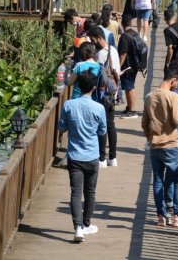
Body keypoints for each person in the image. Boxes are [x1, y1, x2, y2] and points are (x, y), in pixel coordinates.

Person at [58, 69, 107, 243]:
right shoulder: (99, 108)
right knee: (90, 192)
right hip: (92, 156)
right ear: (93, 88)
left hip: (74, 156)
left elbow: (61, 127)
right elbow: (102, 131)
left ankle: (77, 227)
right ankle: (86, 224)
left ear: (78, 86)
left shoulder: (69, 105)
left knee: (76, 192)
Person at [142, 68, 178, 228]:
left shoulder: (149, 97)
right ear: (173, 81)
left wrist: (150, 137)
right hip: (170, 144)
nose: (176, 85)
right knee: (177, 180)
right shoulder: (173, 96)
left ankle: (161, 217)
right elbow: (177, 120)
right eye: (177, 82)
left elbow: (144, 123)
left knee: (158, 180)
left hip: (155, 144)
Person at [87, 26, 120, 167]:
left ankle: (101, 158)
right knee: (111, 124)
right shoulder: (113, 50)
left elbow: (98, 74)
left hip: (102, 94)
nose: (93, 43)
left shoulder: (100, 55)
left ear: (100, 38)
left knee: (102, 125)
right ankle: (113, 157)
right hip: (113, 92)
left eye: (94, 40)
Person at [118, 14, 140, 119]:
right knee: (127, 87)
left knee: (130, 87)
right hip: (134, 65)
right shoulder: (134, 33)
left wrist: (118, 66)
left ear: (122, 24)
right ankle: (129, 107)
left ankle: (133, 110)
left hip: (127, 67)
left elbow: (123, 53)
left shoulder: (124, 36)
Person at [163, 8, 178, 74]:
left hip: (174, 58)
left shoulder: (167, 31)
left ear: (165, 19)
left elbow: (170, 49)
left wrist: (168, 63)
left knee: (169, 77)